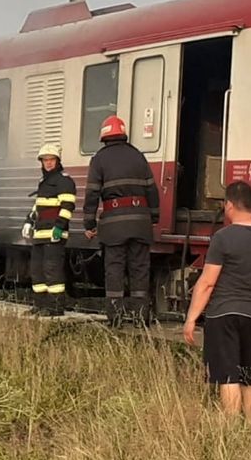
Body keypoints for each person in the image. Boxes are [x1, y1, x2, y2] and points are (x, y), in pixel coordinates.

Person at [183, 181, 251, 420]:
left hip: (223, 314)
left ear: (229, 205)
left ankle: (230, 428)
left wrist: (192, 318)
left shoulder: (223, 237)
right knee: (250, 372)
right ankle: (249, 424)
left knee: (227, 374)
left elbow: (207, 283)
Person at [84, 115, 160, 326]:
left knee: (114, 270)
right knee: (139, 270)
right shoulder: (138, 156)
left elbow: (92, 194)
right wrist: (153, 217)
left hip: (114, 225)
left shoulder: (99, 159)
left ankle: (115, 318)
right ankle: (140, 319)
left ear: (104, 136)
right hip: (140, 222)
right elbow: (152, 190)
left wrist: (89, 224)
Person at [23, 143, 76, 316]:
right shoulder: (44, 182)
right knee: (37, 271)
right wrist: (28, 222)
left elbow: (68, 206)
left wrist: (59, 228)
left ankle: (55, 308)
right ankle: (40, 305)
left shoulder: (64, 181)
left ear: (58, 160)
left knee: (52, 271)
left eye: (51, 159)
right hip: (40, 234)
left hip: (54, 234)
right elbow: (38, 207)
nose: (48, 163)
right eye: (45, 160)